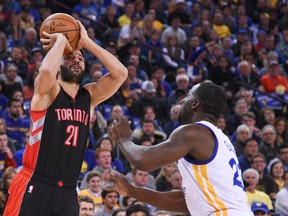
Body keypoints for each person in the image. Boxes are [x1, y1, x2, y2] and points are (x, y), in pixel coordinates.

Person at [3, 20, 128, 216]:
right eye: (69, 58)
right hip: (35, 181)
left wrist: (86, 42)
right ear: (59, 65)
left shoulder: (89, 97)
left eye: (80, 58)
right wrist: (61, 40)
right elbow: (45, 72)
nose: (76, 60)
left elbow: (121, 73)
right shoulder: (49, 92)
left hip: (68, 189)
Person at [104, 82, 253, 215]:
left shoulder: (193, 132)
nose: (182, 100)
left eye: (188, 96)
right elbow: (187, 202)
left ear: (195, 104)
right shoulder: (223, 141)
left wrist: (123, 139)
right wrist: (131, 191)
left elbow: (143, 161)